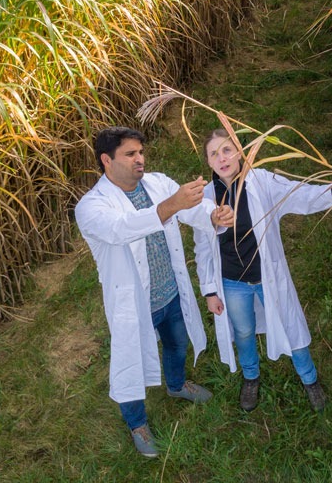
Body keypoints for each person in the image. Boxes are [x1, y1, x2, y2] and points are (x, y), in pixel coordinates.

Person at [74, 126, 235, 458]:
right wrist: (170, 206)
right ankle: (137, 424)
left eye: (141, 152)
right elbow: (120, 230)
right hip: (134, 306)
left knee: (177, 344)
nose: (140, 159)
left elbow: (192, 210)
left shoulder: (158, 183)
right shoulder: (91, 207)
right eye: (130, 154)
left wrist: (214, 215)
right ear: (107, 160)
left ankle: (176, 385)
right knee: (129, 365)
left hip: (170, 292)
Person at [194, 128, 332, 413]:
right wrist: (210, 291)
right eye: (214, 154)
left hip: (267, 276)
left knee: (290, 324)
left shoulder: (261, 181)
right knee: (243, 332)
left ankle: (309, 379)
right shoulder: (206, 199)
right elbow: (203, 249)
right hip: (232, 282)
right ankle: (251, 377)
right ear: (208, 163)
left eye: (226, 149)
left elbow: (300, 195)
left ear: (239, 152)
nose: (222, 158)